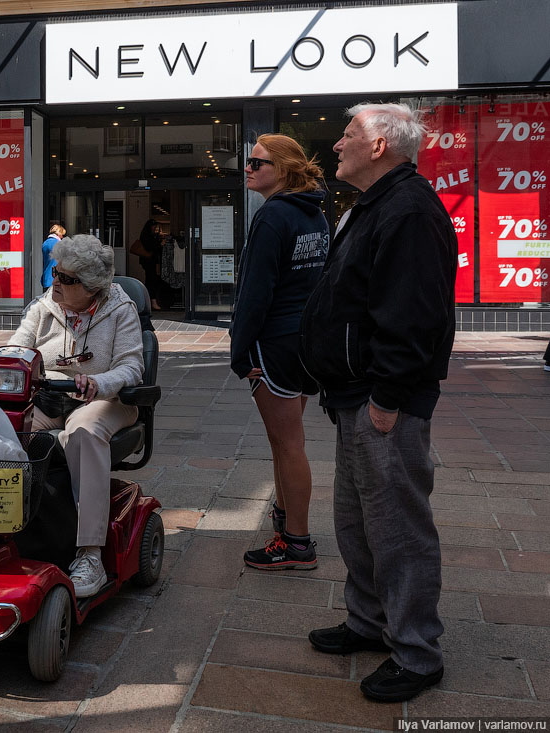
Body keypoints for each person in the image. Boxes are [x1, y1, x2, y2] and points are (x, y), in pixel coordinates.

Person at [300, 103, 457, 703]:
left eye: (347, 135)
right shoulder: (375, 205)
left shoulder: (409, 210)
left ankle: (417, 653)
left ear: (380, 147)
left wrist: (388, 398)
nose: (335, 145)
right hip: (354, 395)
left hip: (382, 400)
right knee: (356, 522)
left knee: (398, 530)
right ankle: (369, 623)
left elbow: (416, 317)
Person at [0, 234, 143, 598]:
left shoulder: (121, 310)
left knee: (84, 431)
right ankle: (0, 529)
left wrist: (98, 382)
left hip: (106, 399)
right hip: (51, 399)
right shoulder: (46, 304)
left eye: (66, 278)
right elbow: (16, 346)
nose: (55, 281)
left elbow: (132, 366)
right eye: (56, 273)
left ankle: (90, 553)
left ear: (92, 287)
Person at [231, 134, 328, 570]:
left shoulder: (273, 216)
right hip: (305, 340)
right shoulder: (315, 215)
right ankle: (287, 521)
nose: (248, 169)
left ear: (284, 170)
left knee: (288, 444)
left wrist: (239, 351)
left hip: (274, 345)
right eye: (247, 162)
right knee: (284, 440)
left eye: (257, 162)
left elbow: (255, 293)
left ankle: (297, 542)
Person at [136, 219, 165, 310]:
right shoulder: (147, 236)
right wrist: (160, 244)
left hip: (148, 261)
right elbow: (150, 248)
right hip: (149, 262)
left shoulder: (146, 235)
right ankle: (152, 302)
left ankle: (149, 301)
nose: (155, 228)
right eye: (154, 226)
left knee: (151, 280)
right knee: (151, 281)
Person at [40, 223, 66, 289]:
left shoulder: (46, 243)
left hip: (46, 277)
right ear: (58, 233)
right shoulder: (57, 243)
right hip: (55, 278)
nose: (62, 237)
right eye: (62, 235)